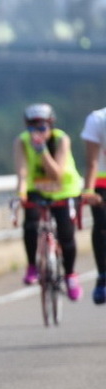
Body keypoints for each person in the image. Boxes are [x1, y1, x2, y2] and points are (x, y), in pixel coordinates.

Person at [13, 103, 83, 300]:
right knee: (31, 224)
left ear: (51, 125)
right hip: (38, 189)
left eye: (42, 127)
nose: (37, 132)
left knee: (66, 234)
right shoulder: (21, 141)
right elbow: (22, 172)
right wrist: (21, 194)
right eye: (32, 128)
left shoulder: (61, 139)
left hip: (64, 190)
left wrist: (42, 151)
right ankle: (32, 266)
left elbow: (57, 174)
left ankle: (70, 275)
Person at [80, 104, 106, 303]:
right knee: (102, 225)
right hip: (102, 182)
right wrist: (88, 191)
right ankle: (103, 276)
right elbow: (92, 162)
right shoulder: (97, 119)